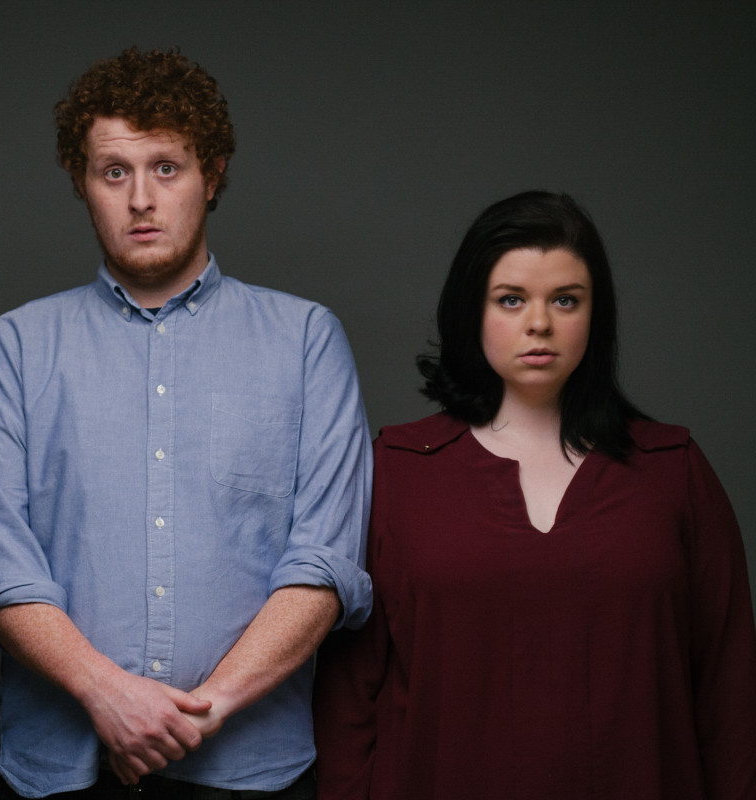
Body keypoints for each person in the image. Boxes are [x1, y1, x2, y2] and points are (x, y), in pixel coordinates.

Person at [0, 47, 373, 799]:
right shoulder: (16, 347)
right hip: (62, 775)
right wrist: (107, 695)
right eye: (114, 172)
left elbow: (323, 563)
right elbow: (0, 569)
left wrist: (188, 716)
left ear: (211, 175)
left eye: (167, 168)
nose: (141, 199)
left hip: (251, 774)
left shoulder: (306, 341)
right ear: (82, 183)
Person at [312, 190, 756, 798]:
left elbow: (730, 692)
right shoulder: (399, 468)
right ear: (472, 311)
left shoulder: (672, 469)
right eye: (511, 299)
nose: (539, 323)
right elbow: (348, 699)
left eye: (566, 300)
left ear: (596, 315)